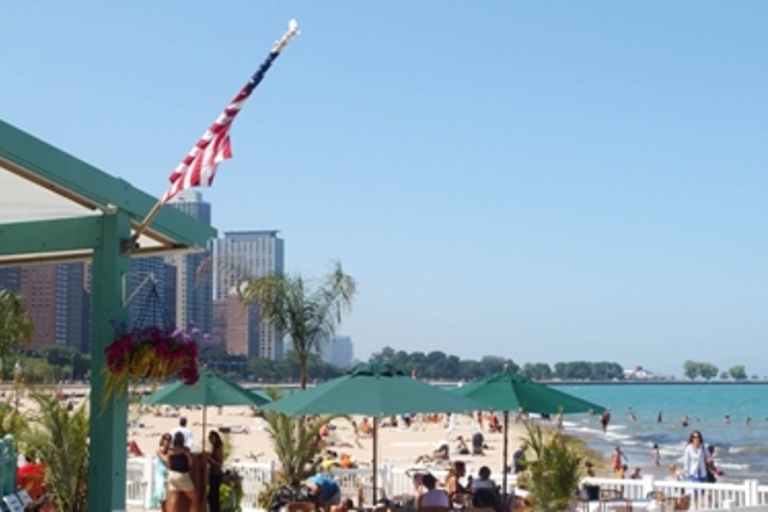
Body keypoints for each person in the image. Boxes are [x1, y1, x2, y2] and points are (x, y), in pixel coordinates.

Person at [164, 431, 198, 512]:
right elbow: (190, 464)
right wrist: (188, 456)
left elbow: (168, 465)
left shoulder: (170, 451)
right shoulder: (185, 450)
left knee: (174, 498)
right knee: (194, 499)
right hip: (182, 475)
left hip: (172, 475)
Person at [151, 433, 172, 511]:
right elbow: (164, 459)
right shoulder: (159, 449)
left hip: (169, 474)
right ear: (162, 440)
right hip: (160, 473)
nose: (167, 441)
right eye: (166, 439)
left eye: (169, 439)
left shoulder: (170, 450)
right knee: (161, 494)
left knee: (168, 495)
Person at [206, 430, 225, 512]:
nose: (210, 440)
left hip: (216, 475)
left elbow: (219, 463)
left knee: (214, 497)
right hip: (213, 474)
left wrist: (210, 459)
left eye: (212, 438)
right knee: (211, 496)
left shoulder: (218, 449)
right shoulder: (214, 448)